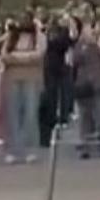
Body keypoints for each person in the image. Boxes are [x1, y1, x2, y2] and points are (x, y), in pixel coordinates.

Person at [0, 13, 44, 163]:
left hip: (31, 79)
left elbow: (39, 54)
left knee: (30, 114)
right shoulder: (11, 37)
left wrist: (16, 58)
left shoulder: (39, 36)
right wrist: (25, 57)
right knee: (13, 114)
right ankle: (13, 150)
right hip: (12, 79)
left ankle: (30, 149)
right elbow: (4, 55)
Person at [72, 18, 100, 159]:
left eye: (92, 29)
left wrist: (97, 44)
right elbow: (75, 60)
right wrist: (84, 46)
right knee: (85, 116)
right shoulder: (80, 45)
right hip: (84, 84)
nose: (90, 32)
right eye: (87, 30)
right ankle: (85, 146)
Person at [40, 10, 74, 146]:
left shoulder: (63, 33)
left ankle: (58, 124)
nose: (52, 23)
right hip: (46, 69)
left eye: (55, 20)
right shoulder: (42, 33)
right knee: (49, 101)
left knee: (60, 99)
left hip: (60, 69)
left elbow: (66, 44)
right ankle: (46, 133)